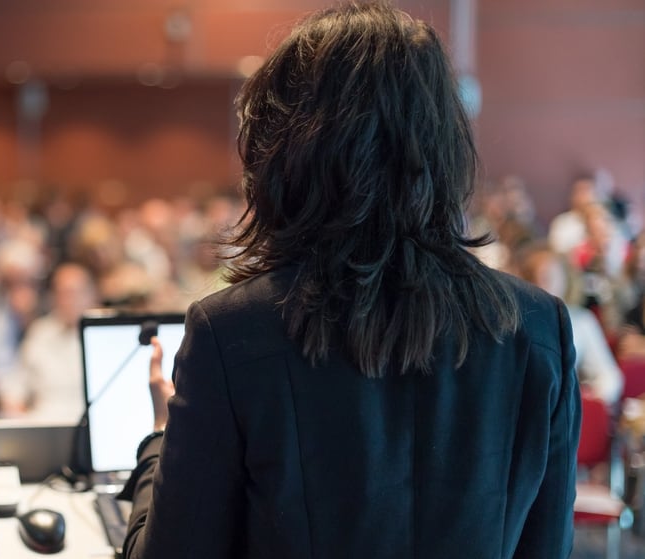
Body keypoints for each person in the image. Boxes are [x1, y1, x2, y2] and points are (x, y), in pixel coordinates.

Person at [119, 4, 579, 558]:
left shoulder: (231, 334)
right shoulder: (539, 328)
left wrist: (159, 443)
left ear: (282, 151)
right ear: (444, 143)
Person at [518, 246, 623, 406]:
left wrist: (586, 398)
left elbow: (611, 377)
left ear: (564, 279)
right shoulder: (515, 324)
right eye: (531, 277)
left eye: (548, 278)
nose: (539, 285)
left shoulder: (582, 322)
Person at [0, 262, 98, 419]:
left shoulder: (107, 335)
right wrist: (13, 404)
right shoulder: (40, 332)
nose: (69, 300)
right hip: (44, 422)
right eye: (62, 293)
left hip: (92, 422)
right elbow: (16, 383)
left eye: (75, 293)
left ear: (92, 295)